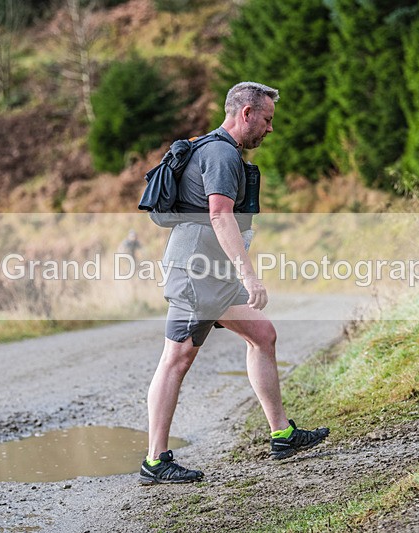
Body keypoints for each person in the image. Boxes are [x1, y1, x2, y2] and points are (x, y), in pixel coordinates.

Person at [140, 81, 329, 485]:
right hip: (197, 276)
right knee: (176, 358)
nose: (270, 128)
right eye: (267, 119)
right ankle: (156, 460)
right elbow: (220, 215)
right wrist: (248, 274)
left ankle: (282, 434)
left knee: (262, 334)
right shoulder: (222, 154)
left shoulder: (213, 147)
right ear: (246, 113)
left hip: (210, 275)